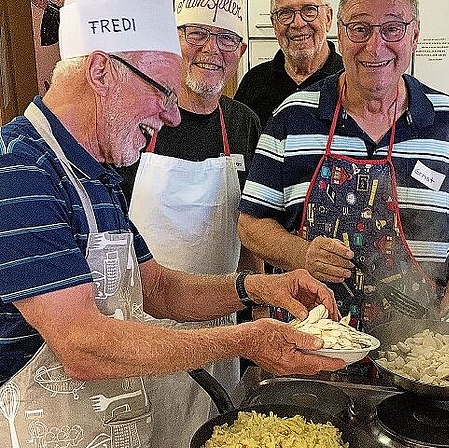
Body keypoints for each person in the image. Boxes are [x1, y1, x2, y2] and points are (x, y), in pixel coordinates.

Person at [0, 1, 344, 446]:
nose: (173, 113)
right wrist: (244, 339)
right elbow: (82, 344)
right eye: (163, 90)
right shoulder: (20, 170)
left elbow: (156, 288)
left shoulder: (91, 172)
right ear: (102, 72)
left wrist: (256, 289)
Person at [238, 0, 449, 330]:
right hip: (311, 344)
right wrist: (302, 255)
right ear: (339, 35)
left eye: (392, 28)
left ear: (414, 35)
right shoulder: (292, 117)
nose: (375, 45)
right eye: (359, 28)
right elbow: (251, 224)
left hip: (419, 349)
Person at [115, 3, 263, 446]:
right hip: (139, 321)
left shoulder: (244, 124)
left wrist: (256, 296)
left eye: (226, 39)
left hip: (220, 318)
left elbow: (252, 224)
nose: (211, 50)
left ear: (239, 50)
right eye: (197, 34)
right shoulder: (139, 117)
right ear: (173, 39)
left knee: (211, 429)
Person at [234, 0, 344, 126]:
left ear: (328, 18)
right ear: (274, 24)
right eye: (285, 12)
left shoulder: (351, 81)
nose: (297, 24)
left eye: (309, 10)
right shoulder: (253, 82)